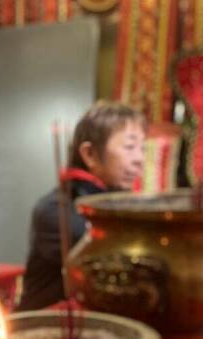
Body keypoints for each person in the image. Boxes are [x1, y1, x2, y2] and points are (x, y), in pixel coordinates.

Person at [18, 101, 145, 311]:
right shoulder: (55, 210)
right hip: (47, 329)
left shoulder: (118, 202)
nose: (139, 159)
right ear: (90, 154)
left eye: (142, 148)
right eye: (130, 147)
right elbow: (120, 257)